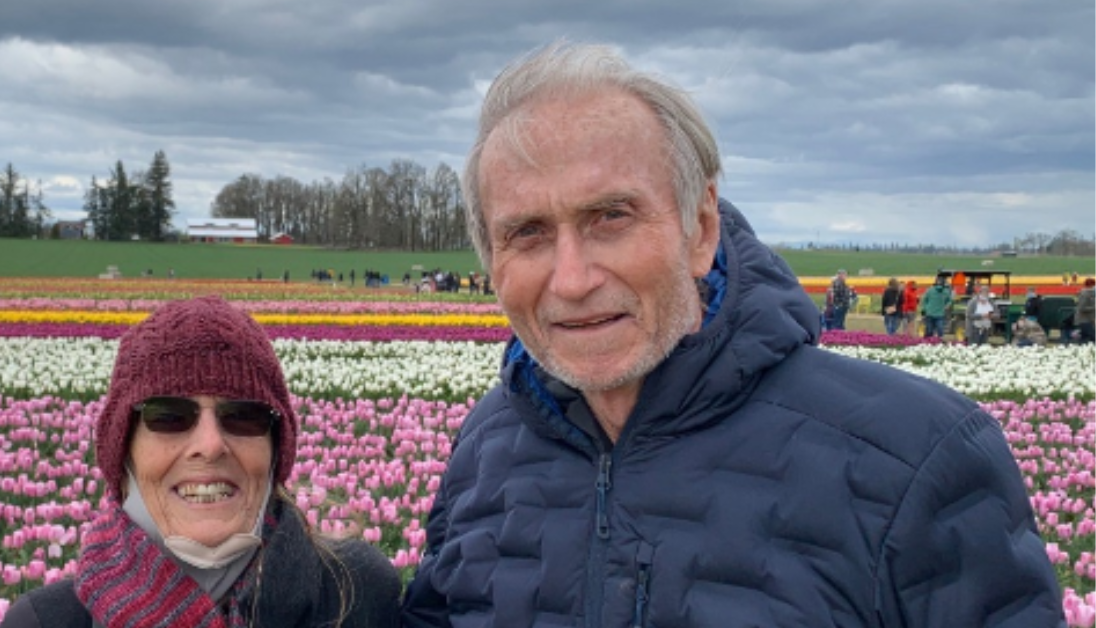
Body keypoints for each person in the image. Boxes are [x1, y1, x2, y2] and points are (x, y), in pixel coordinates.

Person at [401, 41, 1062, 626]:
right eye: (528, 233)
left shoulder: (916, 456)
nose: (571, 279)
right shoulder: (488, 445)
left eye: (610, 217)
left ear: (701, 226)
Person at [3, 296, 400, 628]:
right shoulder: (45, 622)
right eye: (169, 416)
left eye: (243, 415)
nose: (210, 445)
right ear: (123, 450)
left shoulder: (359, 594)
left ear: (276, 449)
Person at [1076, 277, 1096, 344]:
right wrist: (1094, 308)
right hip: (1084, 320)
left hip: (1089, 320)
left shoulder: (1091, 294)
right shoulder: (1085, 294)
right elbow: (1082, 308)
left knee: (1084, 340)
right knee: (1093, 338)